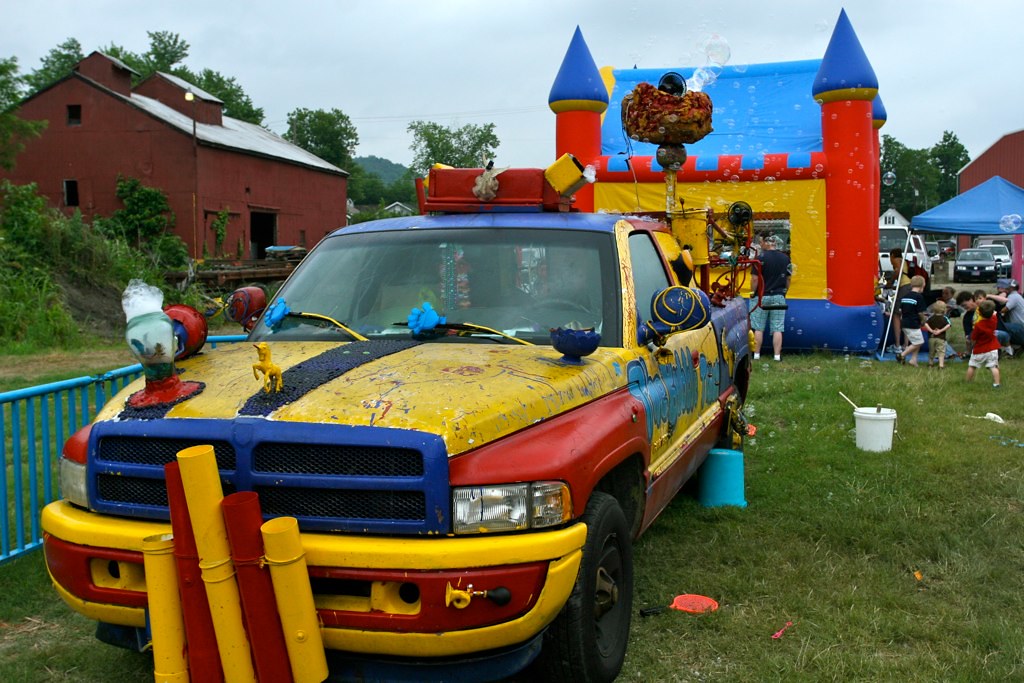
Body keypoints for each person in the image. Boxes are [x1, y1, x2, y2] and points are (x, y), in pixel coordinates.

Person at [749, 234, 792, 361]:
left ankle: (756, 355)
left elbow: (755, 279)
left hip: (762, 296)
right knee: (778, 327)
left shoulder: (760, 258)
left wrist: (753, 291)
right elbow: (788, 279)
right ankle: (777, 356)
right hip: (779, 296)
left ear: (766, 243)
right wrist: (784, 292)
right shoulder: (785, 258)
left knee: (758, 327)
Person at [965, 299, 1002, 388]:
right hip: (992, 349)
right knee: (994, 367)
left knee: (972, 366)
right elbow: (994, 313)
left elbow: (973, 338)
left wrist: (971, 344)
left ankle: (967, 382)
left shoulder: (978, 325)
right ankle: (997, 383)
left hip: (979, 349)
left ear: (980, 313)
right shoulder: (994, 320)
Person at [896, 275, 927, 366]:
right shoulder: (919, 297)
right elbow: (920, 312)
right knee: (919, 342)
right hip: (913, 323)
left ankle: (914, 360)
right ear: (922, 286)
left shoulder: (905, 296)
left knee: (915, 341)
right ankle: (902, 355)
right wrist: (923, 320)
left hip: (905, 322)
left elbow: (901, 310)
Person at [987, 278, 1024, 352]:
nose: (998, 289)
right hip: (1018, 326)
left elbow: (1003, 310)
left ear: (1010, 288)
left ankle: (1009, 349)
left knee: (998, 326)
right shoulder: (1017, 296)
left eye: (1001, 287)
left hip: (1020, 327)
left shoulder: (1013, 297)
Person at [923, 300, 951, 368]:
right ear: (944, 309)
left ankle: (930, 363)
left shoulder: (931, 317)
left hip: (931, 337)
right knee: (941, 352)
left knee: (931, 351)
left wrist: (931, 331)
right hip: (941, 338)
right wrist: (940, 331)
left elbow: (925, 324)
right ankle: (941, 365)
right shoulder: (945, 318)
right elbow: (948, 325)